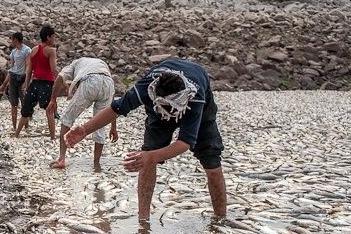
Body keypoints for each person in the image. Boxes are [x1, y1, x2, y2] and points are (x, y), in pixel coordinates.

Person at [64, 58, 227, 219]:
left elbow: (184, 143)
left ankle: (220, 219)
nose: (173, 113)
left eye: (175, 108)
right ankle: (143, 219)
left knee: (211, 161)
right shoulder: (145, 89)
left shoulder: (195, 96)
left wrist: (152, 156)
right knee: (146, 160)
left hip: (196, 107)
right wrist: (85, 129)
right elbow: (116, 109)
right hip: (158, 113)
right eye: (169, 108)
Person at [47, 57, 118, 170]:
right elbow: (112, 107)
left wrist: (53, 99)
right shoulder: (100, 64)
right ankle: (96, 163)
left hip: (91, 81)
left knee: (67, 119)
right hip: (108, 83)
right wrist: (113, 127)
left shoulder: (75, 63)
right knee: (100, 125)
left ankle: (61, 159)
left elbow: (60, 77)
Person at [15, 25, 58, 139]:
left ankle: (17, 134)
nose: (54, 39)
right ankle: (53, 137)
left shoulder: (34, 49)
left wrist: (26, 83)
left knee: (26, 110)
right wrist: (62, 80)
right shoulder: (51, 51)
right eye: (53, 37)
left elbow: (29, 69)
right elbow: (53, 69)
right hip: (47, 84)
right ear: (48, 37)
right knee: (49, 110)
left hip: (34, 83)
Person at [0, 31, 31, 131]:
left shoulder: (27, 50)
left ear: (15, 39)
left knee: (24, 103)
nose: (11, 42)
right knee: (13, 104)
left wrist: (27, 81)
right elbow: (12, 68)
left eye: (12, 39)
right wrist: (4, 84)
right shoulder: (13, 52)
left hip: (22, 78)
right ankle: (14, 127)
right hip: (13, 78)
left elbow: (28, 66)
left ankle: (26, 127)